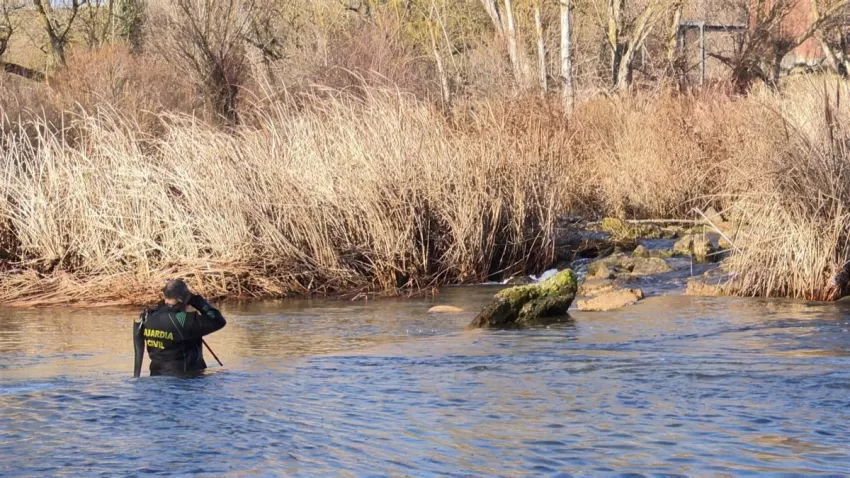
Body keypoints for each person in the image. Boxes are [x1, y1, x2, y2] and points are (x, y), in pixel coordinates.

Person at [134, 279, 226, 377]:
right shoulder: (183, 320)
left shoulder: (148, 317)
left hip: (156, 377)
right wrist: (197, 301)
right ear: (184, 299)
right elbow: (218, 321)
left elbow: (138, 351)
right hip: (185, 381)